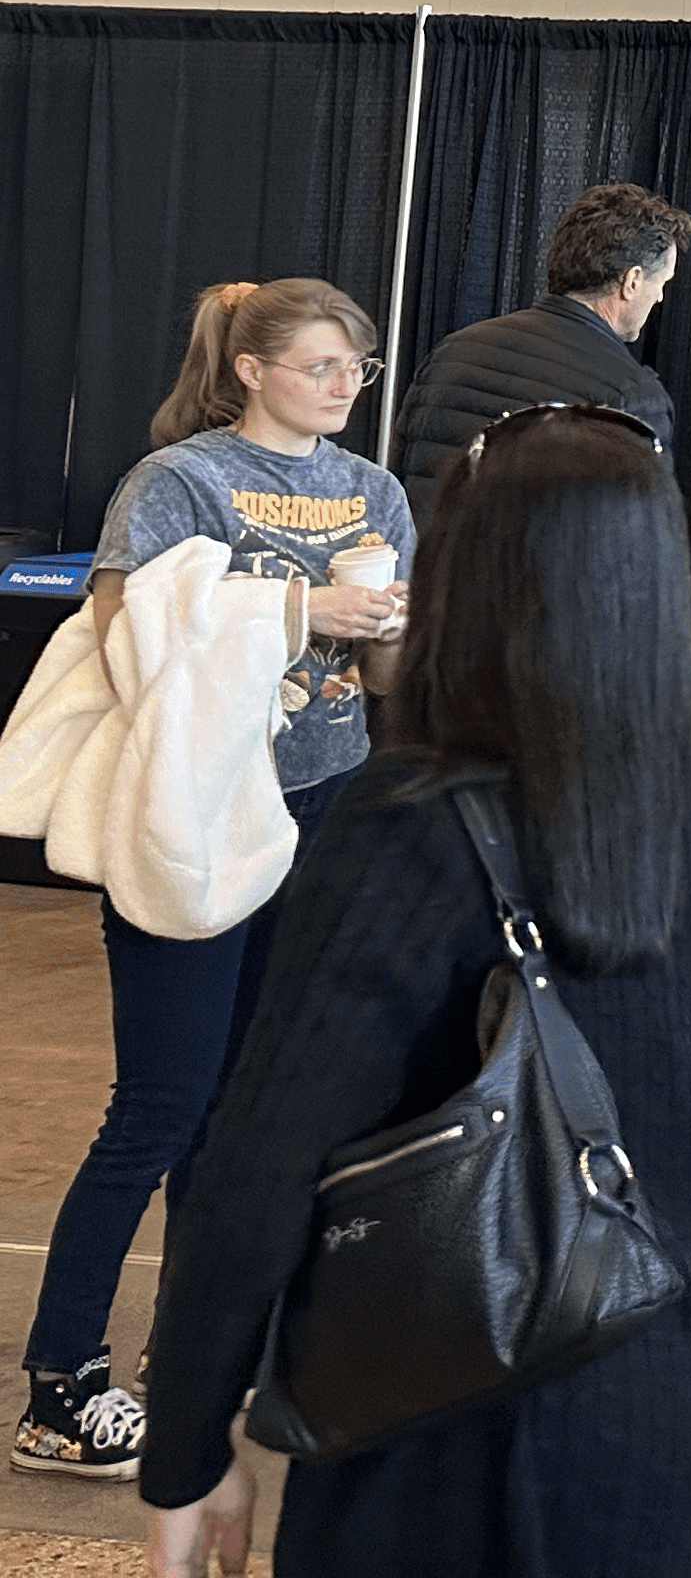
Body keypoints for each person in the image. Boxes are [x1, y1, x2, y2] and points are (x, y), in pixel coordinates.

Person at [136, 407, 691, 1576]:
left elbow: (264, 1155)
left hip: (452, 1393)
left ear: (470, 576)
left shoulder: (412, 827)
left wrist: (186, 1438)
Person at [13, 279, 412, 1484]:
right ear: (250, 369)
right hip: (195, 819)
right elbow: (133, 641)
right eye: (322, 365)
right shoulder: (178, 481)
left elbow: (386, 682)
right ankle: (59, 1385)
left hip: (322, 810)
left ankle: (186, 1356)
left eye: (360, 367)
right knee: (160, 1107)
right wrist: (304, 603)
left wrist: (382, 624)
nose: (345, 387)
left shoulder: (374, 489)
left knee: (246, 1113)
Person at [385, 182, 691, 520]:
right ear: (632, 281)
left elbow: (397, 497)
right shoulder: (632, 396)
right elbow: (634, 549)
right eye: (660, 283)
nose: (660, 297)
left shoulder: (450, 353)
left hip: (430, 571)